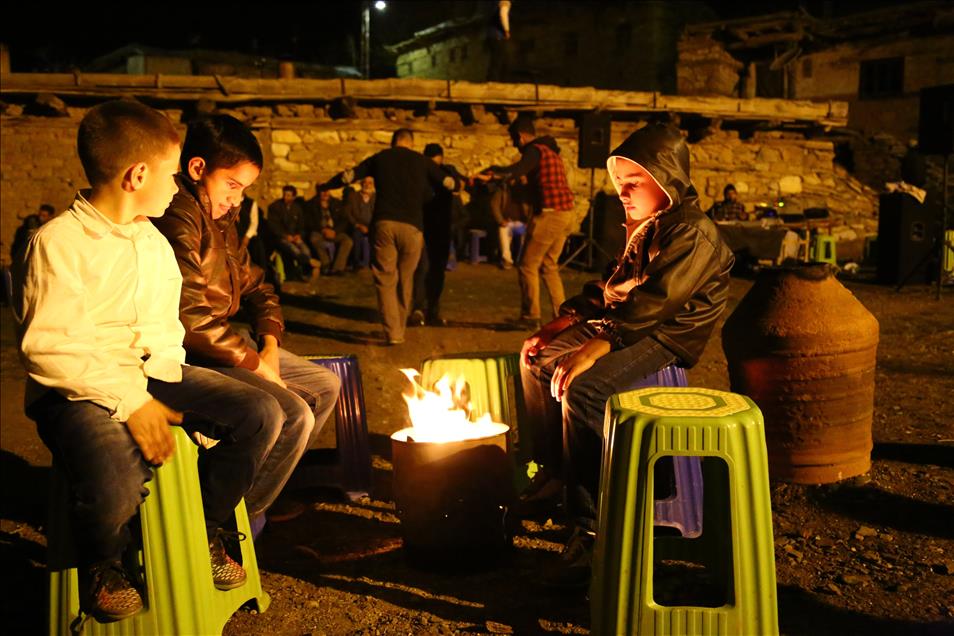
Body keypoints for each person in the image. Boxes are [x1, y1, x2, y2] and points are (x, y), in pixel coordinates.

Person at [13, 100, 282, 622]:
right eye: (171, 173)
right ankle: (104, 561)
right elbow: (53, 349)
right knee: (114, 460)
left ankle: (204, 524)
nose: (177, 183)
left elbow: (164, 337)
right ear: (138, 174)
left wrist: (180, 402)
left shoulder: (150, 241)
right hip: (76, 388)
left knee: (260, 413)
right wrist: (134, 404)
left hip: (152, 375)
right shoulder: (57, 244)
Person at [518, 123, 734, 588]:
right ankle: (551, 474)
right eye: (620, 186)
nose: (624, 194)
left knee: (585, 387)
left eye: (633, 184)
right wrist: (565, 319)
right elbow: (613, 289)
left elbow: (655, 303)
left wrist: (598, 344)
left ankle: (591, 525)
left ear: (666, 178)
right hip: (631, 325)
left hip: (665, 335)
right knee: (535, 360)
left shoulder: (693, 232)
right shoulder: (649, 227)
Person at [152, 114, 341, 533]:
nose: (238, 200)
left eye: (244, 190)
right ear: (198, 168)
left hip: (228, 342)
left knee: (326, 385)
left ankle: (259, 491)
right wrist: (255, 365)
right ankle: (240, 518)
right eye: (232, 186)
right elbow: (190, 319)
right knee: (292, 413)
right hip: (193, 351)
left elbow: (258, 287)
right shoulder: (178, 216)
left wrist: (269, 345)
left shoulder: (221, 221)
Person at [320, 129, 458, 345]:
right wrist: (460, 184)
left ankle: (393, 332)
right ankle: (400, 327)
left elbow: (349, 176)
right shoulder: (422, 161)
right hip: (413, 228)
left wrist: (327, 185)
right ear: (410, 143)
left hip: (384, 224)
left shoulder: (380, 158)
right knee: (406, 279)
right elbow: (449, 182)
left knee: (385, 279)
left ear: (393, 142)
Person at [481, 116, 575, 329]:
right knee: (549, 267)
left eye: (515, 140)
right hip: (566, 214)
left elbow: (515, 170)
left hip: (550, 215)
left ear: (521, 136)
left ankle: (530, 316)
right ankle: (565, 320)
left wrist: (493, 174)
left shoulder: (535, 150)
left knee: (527, 265)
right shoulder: (551, 153)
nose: (515, 145)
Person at [410, 143, 469, 327]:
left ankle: (431, 310)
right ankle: (419, 309)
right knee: (423, 268)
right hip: (426, 226)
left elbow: (461, 184)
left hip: (440, 227)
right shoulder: (421, 172)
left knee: (435, 271)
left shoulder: (447, 170)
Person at [266, 185, 316, 281]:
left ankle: (304, 273)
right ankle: (307, 266)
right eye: (285, 195)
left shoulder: (297, 208)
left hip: (295, 237)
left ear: (293, 197)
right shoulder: (275, 207)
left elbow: (301, 225)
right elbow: (273, 226)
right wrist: (285, 236)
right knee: (294, 250)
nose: (286, 197)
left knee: (305, 250)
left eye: (289, 195)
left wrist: (299, 235)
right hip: (281, 238)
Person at [305, 187, 353, 275]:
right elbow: (308, 221)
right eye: (322, 191)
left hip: (334, 231)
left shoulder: (337, 203)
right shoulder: (311, 204)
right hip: (319, 231)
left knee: (347, 241)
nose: (325, 194)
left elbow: (344, 220)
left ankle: (338, 268)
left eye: (326, 191)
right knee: (314, 239)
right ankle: (326, 264)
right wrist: (322, 230)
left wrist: (335, 231)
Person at [343, 176, 375, 269]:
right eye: (365, 182)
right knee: (356, 236)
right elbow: (348, 213)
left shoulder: (376, 197)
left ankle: (372, 262)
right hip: (358, 225)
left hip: (372, 225)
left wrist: (372, 226)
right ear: (361, 184)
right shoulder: (353, 196)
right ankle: (356, 263)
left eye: (370, 183)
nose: (367, 185)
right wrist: (357, 225)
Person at [487, 0, 512, 81]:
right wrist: (506, 30)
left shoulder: (495, 4)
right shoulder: (504, 2)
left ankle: (495, 80)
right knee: (498, 60)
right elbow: (503, 14)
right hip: (497, 36)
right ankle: (495, 82)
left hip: (492, 35)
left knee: (497, 60)